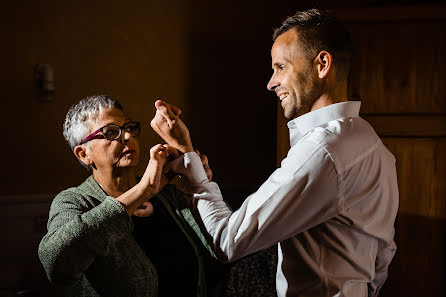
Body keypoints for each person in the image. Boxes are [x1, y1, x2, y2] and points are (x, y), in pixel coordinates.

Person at [150, 9, 399, 297]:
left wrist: (186, 154)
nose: (271, 82)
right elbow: (384, 252)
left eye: (281, 67)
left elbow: (228, 241)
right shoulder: (371, 143)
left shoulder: (322, 150)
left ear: (322, 64)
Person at [38, 95, 221, 297]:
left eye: (129, 128)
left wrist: (199, 188)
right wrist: (144, 190)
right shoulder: (74, 201)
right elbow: (57, 265)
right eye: (110, 132)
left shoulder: (168, 195)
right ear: (84, 154)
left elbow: (219, 260)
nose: (127, 137)